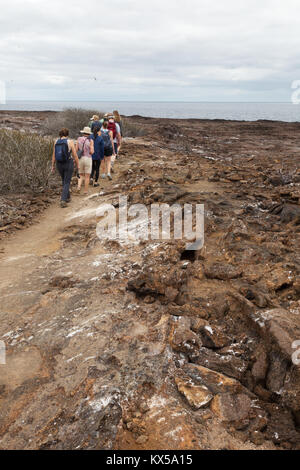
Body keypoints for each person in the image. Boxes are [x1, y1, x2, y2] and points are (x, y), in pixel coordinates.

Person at [52, 128, 80, 208]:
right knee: (67, 181)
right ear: (67, 134)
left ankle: (67, 197)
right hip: (68, 162)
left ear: (60, 134)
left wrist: (52, 165)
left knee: (64, 180)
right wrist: (78, 165)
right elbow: (75, 155)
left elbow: (54, 155)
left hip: (59, 163)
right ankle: (63, 200)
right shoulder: (70, 142)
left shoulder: (56, 142)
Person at [76, 126, 94, 194]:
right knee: (87, 176)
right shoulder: (91, 140)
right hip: (88, 158)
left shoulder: (79, 139)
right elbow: (92, 151)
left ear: (83, 132)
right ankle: (86, 191)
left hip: (80, 158)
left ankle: (78, 187)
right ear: (89, 133)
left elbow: (76, 149)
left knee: (80, 175)